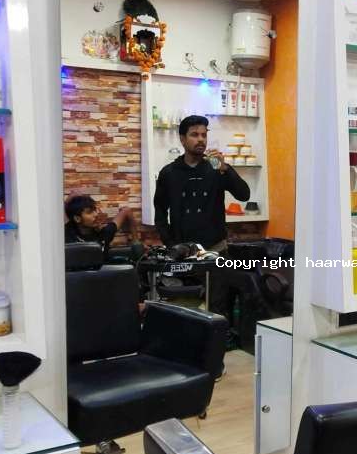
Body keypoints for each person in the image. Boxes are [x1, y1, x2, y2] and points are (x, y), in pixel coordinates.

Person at [153, 114, 250, 317]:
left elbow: (244, 195)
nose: (200, 140)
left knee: (218, 309)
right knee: (184, 310)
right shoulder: (169, 173)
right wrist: (170, 244)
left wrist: (226, 169)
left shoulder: (216, 168)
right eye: (194, 135)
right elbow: (160, 212)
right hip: (183, 253)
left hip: (215, 251)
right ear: (182, 139)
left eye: (204, 135)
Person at [64, 195, 134, 253]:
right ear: (77, 218)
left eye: (95, 210)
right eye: (89, 212)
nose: (96, 214)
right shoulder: (66, 234)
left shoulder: (104, 233)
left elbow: (126, 210)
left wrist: (135, 241)